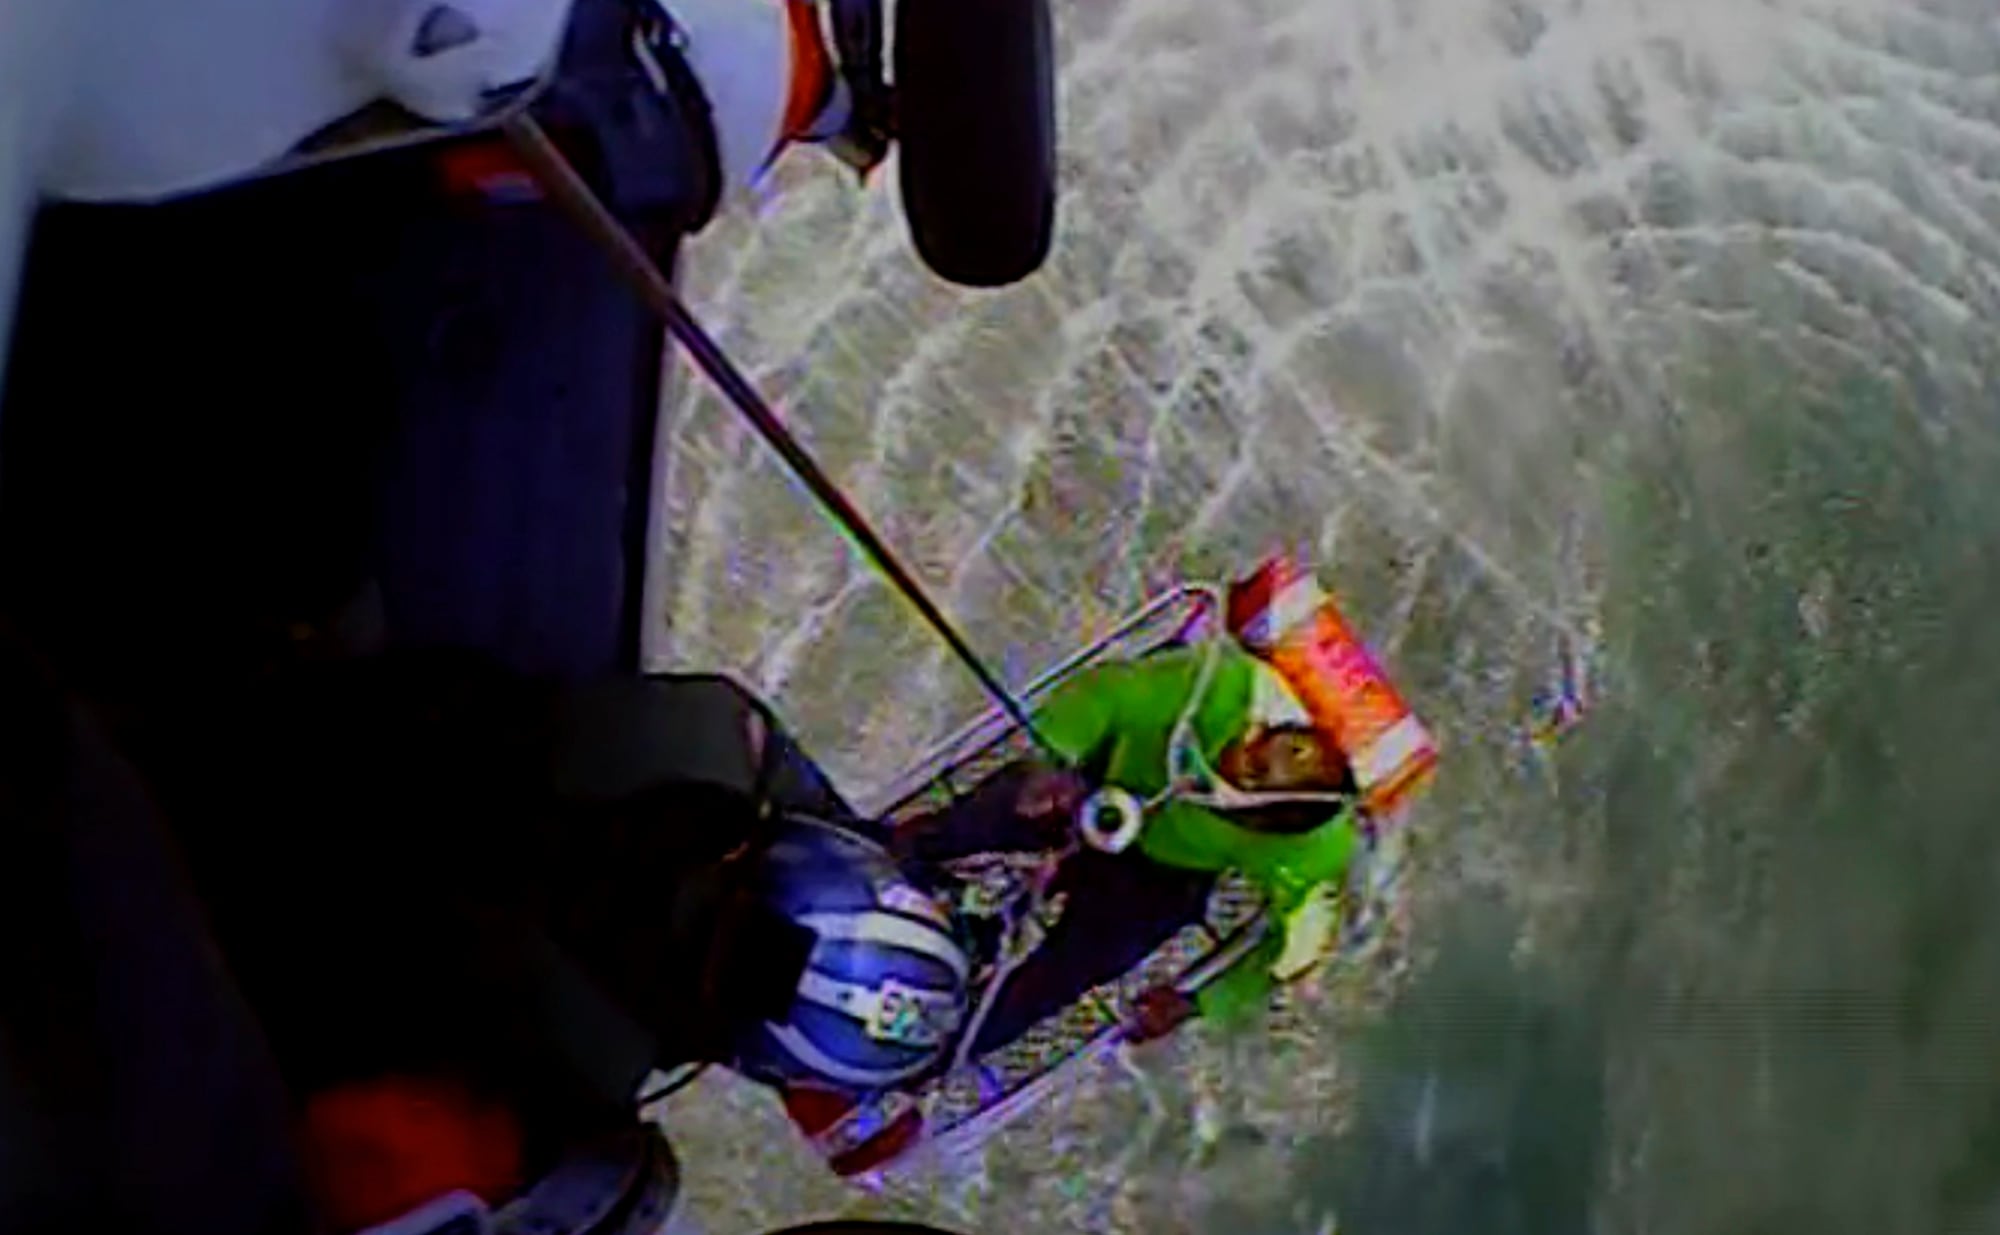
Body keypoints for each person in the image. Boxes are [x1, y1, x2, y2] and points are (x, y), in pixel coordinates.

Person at [901, 633, 1364, 1049]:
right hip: (1103, 780)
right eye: (1234, 759)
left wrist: (1197, 1002)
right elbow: (1110, 692)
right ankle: (895, 855)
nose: (1208, 779)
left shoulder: (1315, 852)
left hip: (1167, 874)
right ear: (1254, 732)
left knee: (1065, 975)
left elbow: (1294, 952)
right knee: (983, 818)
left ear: (1269, 829)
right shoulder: (1218, 685)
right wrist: (1055, 760)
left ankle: (933, 1054)